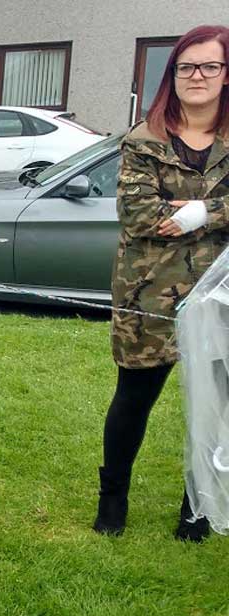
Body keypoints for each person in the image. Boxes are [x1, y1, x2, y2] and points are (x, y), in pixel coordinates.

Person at [95, 24, 229, 543]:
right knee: (133, 399)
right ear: (172, 75)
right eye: (186, 67)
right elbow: (138, 213)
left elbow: (172, 215)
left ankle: (196, 509)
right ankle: (112, 503)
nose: (196, 76)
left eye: (209, 66)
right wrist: (211, 217)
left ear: (226, 73)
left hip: (220, 295)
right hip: (148, 291)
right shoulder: (144, 138)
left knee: (217, 405)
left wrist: (200, 211)